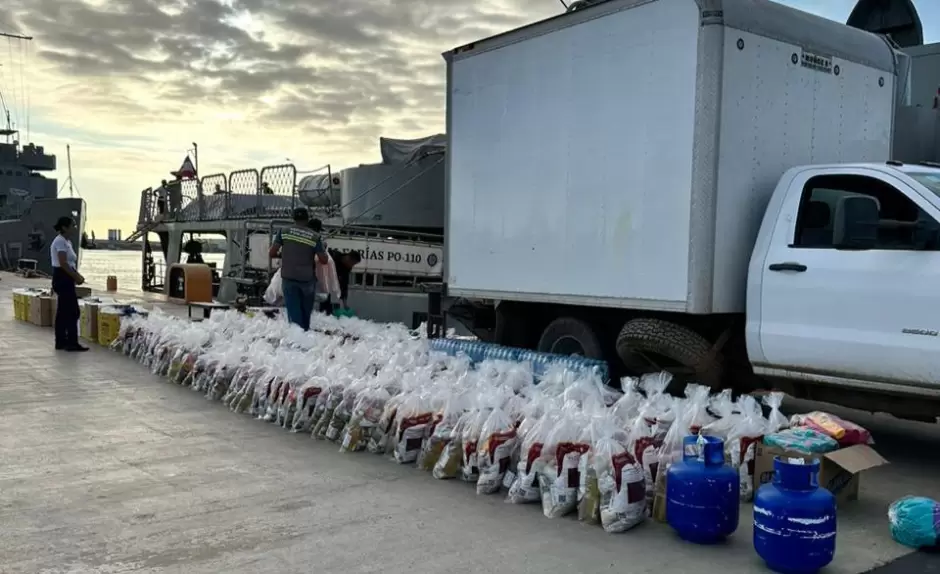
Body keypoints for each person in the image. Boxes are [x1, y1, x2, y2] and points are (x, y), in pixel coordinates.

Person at [269, 208, 327, 330]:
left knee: (294, 312)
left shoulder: (284, 232)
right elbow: (324, 260)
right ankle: (305, 336)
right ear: (307, 219)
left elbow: (272, 253)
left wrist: (283, 255)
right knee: (305, 313)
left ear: (293, 218)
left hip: (289, 277)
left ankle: (297, 339)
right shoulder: (314, 236)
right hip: (307, 279)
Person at [50, 216, 88, 352]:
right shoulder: (60, 241)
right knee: (72, 311)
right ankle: (72, 342)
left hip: (66, 276)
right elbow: (63, 263)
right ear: (65, 227)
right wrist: (76, 277)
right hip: (62, 277)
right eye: (73, 225)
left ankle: (61, 341)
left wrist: (76, 275)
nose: (75, 228)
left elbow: (69, 263)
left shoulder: (67, 242)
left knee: (63, 311)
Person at [320, 249, 362, 314]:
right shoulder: (333, 257)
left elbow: (344, 285)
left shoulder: (346, 268)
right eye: (353, 263)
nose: (352, 266)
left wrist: (345, 303)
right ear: (348, 258)